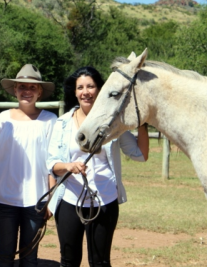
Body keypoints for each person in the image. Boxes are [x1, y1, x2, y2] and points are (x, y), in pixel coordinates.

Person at [47, 66, 149, 267]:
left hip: (104, 200)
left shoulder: (113, 124)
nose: (85, 91)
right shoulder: (62, 123)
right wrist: (69, 166)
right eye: (80, 87)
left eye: (91, 86)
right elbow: (51, 164)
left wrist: (142, 122)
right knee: (68, 261)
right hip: (69, 200)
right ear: (75, 92)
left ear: (100, 89)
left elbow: (140, 154)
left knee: (100, 262)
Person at [0, 64, 57, 267]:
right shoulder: (3, 119)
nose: (27, 91)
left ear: (40, 92)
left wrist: (51, 198)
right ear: (15, 90)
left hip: (36, 199)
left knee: (29, 257)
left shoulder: (50, 121)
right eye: (22, 87)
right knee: (4, 255)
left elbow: (52, 162)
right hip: (5, 198)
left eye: (32, 87)